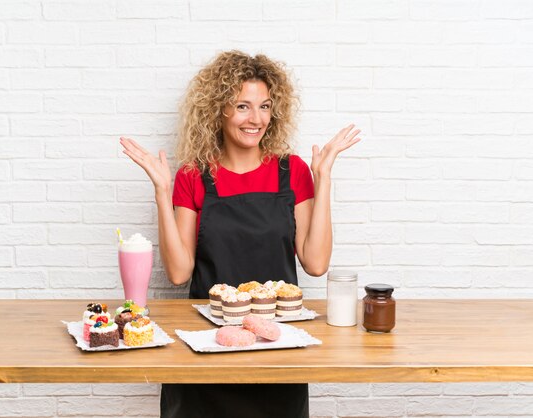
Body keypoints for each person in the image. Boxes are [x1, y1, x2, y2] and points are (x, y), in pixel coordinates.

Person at [120, 50, 361, 418]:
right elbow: (179, 273)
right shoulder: (193, 176)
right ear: (219, 110)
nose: (256, 119)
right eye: (243, 106)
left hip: (274, 343)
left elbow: (315, 263)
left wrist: (324, 176)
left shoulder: (292, 171)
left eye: (264, 106)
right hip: (206, 343)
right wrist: (161, 190)